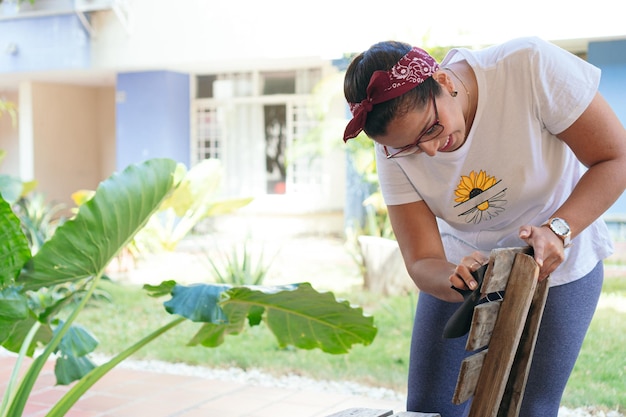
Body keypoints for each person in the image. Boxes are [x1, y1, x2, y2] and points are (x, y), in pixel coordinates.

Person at [342, 37, 626, 417]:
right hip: (467, 270)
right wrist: (452, 278)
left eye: (429, 129)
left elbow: (615, 158)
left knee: (530, 409)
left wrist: (559, 228)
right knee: (430, 410)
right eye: (408, 147)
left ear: (443, 81)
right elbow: (422, 259)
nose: (427, 151)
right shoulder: (395, 144)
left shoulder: (528, 67)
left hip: (559, 256)